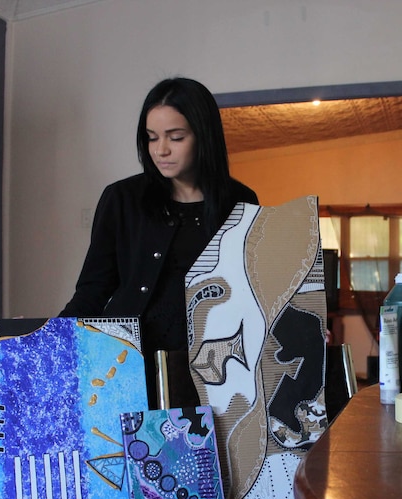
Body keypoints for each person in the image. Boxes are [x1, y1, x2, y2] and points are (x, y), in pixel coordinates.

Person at [59, 77, 258, 408]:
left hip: (209, 371)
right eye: (152, 138)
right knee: (137, 456)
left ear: (203, 136)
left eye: (175, 137)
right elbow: (93, 290)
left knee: (200, 457)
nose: (160, 150)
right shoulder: (121, 198)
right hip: (125, 365)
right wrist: (51, 339)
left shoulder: (240, 201)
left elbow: (250, 292)